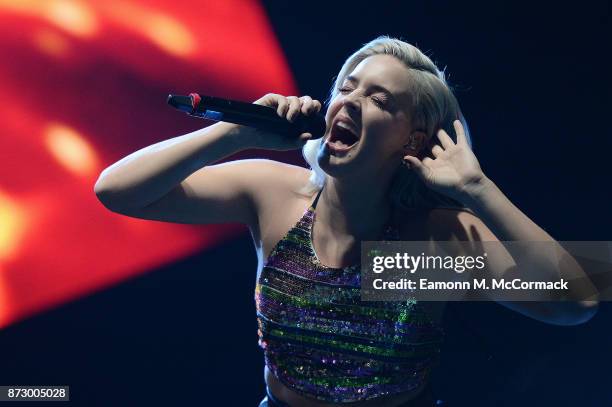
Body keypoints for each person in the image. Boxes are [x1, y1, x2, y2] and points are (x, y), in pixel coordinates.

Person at [94, 36, 598, 406]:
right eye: (347, 87)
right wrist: (233, 133)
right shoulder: (278, 195)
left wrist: (477, 190)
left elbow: (577, 300)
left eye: (379, 99)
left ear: (414, 142)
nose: (351, 101)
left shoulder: (423, 245)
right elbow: (117, 191)